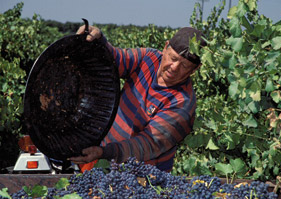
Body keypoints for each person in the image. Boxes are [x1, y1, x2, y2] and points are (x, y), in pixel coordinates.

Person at [69, 25, 207, 172]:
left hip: (143, 175)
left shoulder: (182, 104)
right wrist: (99, 41)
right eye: (173, 58)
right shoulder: (149, 58)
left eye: (184, 66)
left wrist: (105, 152)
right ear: (165, 47)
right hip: (105, 157)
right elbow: (116, 60)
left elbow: (147, 144)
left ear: (195, 69)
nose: (174, 67)